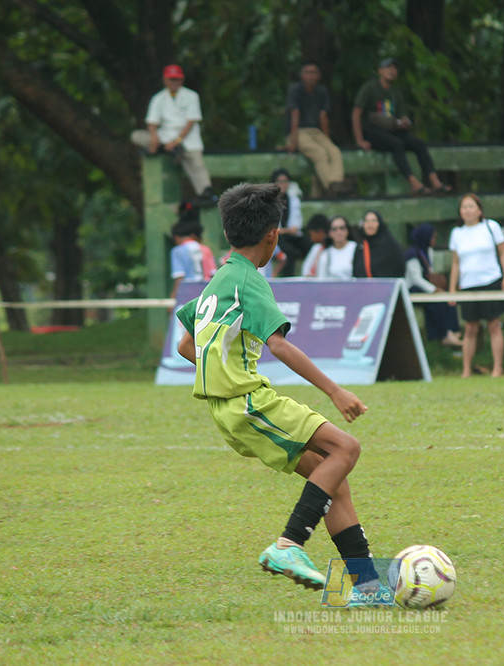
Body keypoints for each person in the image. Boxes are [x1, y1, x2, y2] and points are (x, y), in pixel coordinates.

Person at [174, 182, 390, 604]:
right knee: (346, 448)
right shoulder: (250, 281)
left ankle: (369, 588)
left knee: (333, 479)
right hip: (249, 402)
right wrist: (335, 391)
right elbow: (281, 345)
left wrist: (218, 375)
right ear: (273, 234)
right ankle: (288, 545)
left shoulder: (219, 280)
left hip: (228, 410)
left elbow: (186, 344)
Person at [351, 58, 452, 196]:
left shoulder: (395, 93)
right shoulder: (370, 88)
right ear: (380, 71)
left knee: (419, 144)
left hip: (392, 130)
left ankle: (435, 182)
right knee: (397, 144)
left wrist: (405, 123)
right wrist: (359, 140)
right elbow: (356, 113)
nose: (391, 71)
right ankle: (414, 183)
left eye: (394, 68)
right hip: (373, 131)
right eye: (388, 67)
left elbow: (400, 117)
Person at [448, 193, 504, 378]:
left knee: (494, 325)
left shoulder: (491, 227)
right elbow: (455, 263)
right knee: (469, 328)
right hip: (468, 284)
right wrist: (453, 289)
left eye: (471, 206)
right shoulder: (457, 233)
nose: (467, 211)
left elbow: (503, 253)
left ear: (479, 210)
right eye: (464, 207)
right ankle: (466, 370)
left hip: (491, 280)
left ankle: (497, 369)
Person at [130, 64, 214, 201]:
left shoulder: (191, 96)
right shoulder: (158, 98)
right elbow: (152, 121)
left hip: (187, 139)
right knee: (137, 136)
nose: (174, 82)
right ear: (165, 80)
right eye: (171, 79)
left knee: (196, 164)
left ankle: (205, 192)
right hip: (165, 137)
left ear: (181, 80)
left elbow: (191, 121)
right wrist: (154, 137)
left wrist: (177, 141)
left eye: (176, 79)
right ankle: (167, 149)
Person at [285, 62, 348, 197]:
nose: (311, 76)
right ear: (301, 75)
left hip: (316, 131)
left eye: (313, 72)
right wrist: (293, 141)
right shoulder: (295, 90)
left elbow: (323, 118)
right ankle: (332, 187)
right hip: (299, 131)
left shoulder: (321, 91)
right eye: (307, 72)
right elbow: (295, 115)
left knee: (334, 151)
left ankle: (336, 182)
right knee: (319, 153)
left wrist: (327, 140)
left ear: (319, 76)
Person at [404, 223, 462, 347]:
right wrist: (434, 289)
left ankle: (453, 331)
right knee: (436, 302)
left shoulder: (428, 251)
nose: (434, 240)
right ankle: (442, 334)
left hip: (425, 287)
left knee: (447, 298)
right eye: (433, 237)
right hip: (413, 289)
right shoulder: (412, 254)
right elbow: (416, 279)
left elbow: (429, 271)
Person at [271, 168, 311, 277]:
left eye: (285, 181)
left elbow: (296, 225)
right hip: (277, 237)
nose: (283, 184)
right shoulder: (270, 201)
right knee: (290, 252)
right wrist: (286, 230)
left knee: (309, 245)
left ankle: (308, 275)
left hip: (292, 235)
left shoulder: (293, 200)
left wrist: (288, 230)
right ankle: (288, 279)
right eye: (280, 181)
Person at [169, 217, 217, 301]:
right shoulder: (206, 249)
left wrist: (173, 298)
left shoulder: (177, 251)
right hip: (206, 293)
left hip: (188, 293)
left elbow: (179, 277)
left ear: (176, 237)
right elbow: (213, 275)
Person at [352, 210, 406, 278]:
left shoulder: (389, 246)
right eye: (367, 221)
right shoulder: (361, 246)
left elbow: (398, 268)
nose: (370, 224)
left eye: (373, 221)